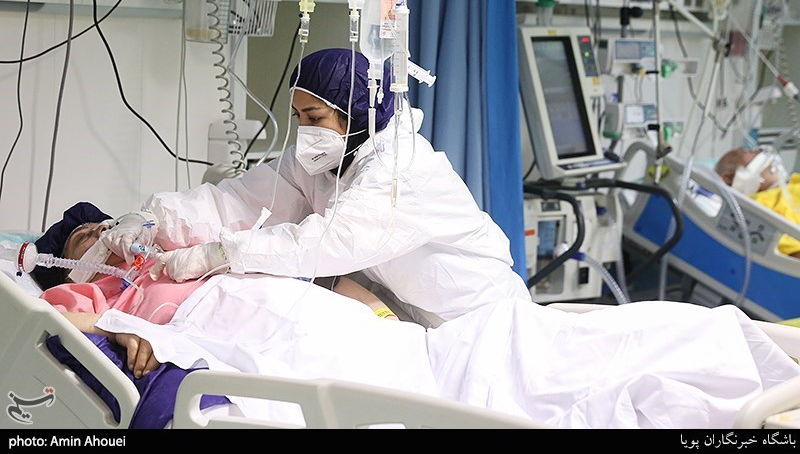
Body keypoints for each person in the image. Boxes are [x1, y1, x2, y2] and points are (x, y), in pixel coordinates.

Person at [100, 48, 530, 326]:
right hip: (417, 319)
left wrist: (221, 254)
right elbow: (238, 200)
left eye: (315, 117)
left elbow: (327, 242)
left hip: (481, 319)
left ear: (357, 113)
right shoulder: (321, 159)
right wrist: (154, 217)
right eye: (299, 117)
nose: (304, 130)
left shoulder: (402, 171)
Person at [33, 201, 402, 378]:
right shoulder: (93, 292)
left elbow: (320, 277)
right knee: (337, 371)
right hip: (218, 324)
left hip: (284, 300)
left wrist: (382, 313)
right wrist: (117, 326)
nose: (102, 231)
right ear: (69, 270)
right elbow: (49, 317)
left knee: (385, 352)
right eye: (84, 237)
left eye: (105, 224)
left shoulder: (175, 249)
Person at [715, 146, 800, 258]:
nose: (759, 151)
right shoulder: (757, 206)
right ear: (728, 178)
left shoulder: (794, 181)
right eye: (748, 152)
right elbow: (793, 254)